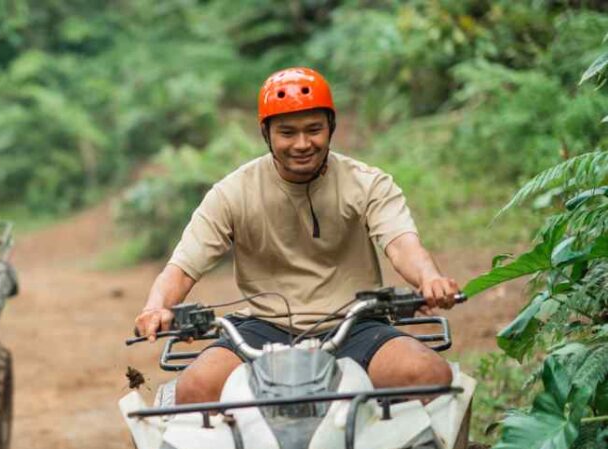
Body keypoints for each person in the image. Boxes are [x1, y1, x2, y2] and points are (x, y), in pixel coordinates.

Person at [133, 67, 460, 405]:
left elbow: (403, 244)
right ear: (266, 133)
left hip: (355, 324)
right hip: (262, 327)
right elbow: (182, 268)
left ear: (331, 128)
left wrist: (430, 278)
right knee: (195, 389)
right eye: (287, 132)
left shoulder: (367, 183)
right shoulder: (232, 192)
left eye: (314, 130)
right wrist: (156, 307)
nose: (302, 144)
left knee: (427, 375)